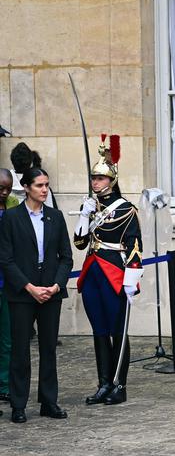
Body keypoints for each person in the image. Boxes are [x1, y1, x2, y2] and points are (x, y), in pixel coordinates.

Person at [73, 135, 143, 405]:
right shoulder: (90, 208)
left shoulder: (126, 210)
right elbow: (80, 243)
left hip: (115, 273)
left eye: (100, 179)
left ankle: (119, 384)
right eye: (93, 178)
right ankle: (103, 383)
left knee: (117, 331)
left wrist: (131, 279)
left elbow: (135, 246)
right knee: (99, 330)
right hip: (92, 274)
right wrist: (83, 215)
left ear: (111, 180)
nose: (95, 183)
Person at [0, 166, 73, 423]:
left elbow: (66, 257)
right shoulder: (11, 218)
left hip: (50, 291)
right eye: (40, 185)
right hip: (22, 293)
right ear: (27, 187)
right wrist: (28, 287)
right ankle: (18, 403)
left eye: (47, 185)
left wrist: (55, 285)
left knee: (48, 349)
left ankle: (49, 401)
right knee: (20, 350)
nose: (45, 190)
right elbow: (6, 259)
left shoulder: (56, 216)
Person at [0, 168, 18, 406]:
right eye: (0, 189)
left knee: (7, 339)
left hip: (9, 283)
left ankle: (5, 385)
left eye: (7, 188)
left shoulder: (13, 207)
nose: (4, 193)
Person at [10, 142, 58, 209]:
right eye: (39, 185)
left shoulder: (6, 185)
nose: (44, 189)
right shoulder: (45, 189)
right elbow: (52, 211)